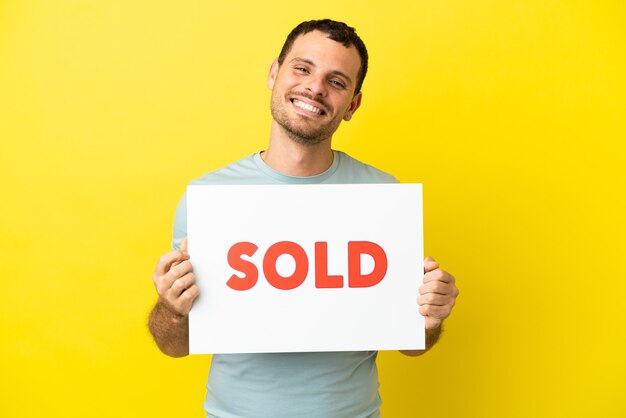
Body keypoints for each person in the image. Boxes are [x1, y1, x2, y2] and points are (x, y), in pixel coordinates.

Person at [148, 19, 459, 418]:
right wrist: (171, 307)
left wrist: (431, 314)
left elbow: (413, 342)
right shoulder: (210, 198)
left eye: (337, 81)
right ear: (274, 73)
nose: (315, 88)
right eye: (302, 68)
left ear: (352, 105)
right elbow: (173, 345)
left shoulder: (380, 197)